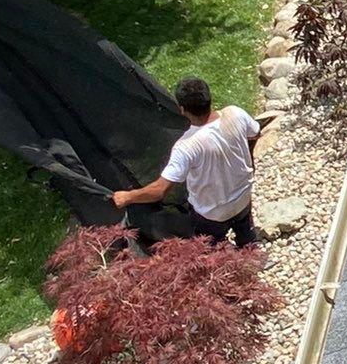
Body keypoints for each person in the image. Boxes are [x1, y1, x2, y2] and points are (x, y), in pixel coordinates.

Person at [114, 76, 269, 245]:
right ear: (209, 98)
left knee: (211, 251)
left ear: (182, 109)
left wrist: (127, 197)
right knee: (247, 238)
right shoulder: (235, 114)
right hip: (243, 199)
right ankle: (249, 249)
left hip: (211, 214)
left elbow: (159, 191)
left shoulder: (186, 146)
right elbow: (255, 133)